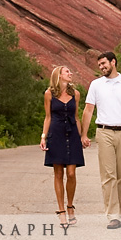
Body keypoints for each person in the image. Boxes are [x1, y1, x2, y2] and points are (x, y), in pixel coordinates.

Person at [80, 51, 121, 230]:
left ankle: (117, 212)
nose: (101, 67)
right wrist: (84, 134)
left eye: (104, 63)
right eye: (99, 65)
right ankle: (113, 216)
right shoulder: (96, 85)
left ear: (113, 62)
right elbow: (88, 110)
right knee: (109, 175)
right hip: (104, 132)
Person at [39, 66, 85, 226]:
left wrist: (82, 136)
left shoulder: (76, 94)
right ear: (58, 75)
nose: (70, 74)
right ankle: (61, 211)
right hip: (56, 134)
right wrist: (43, 137)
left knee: (71, 173)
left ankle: (70, 206)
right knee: (58, 173)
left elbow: (77, 117)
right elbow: (48, 117)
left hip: (72, 134)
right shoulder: (49, 94)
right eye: (67, 72)